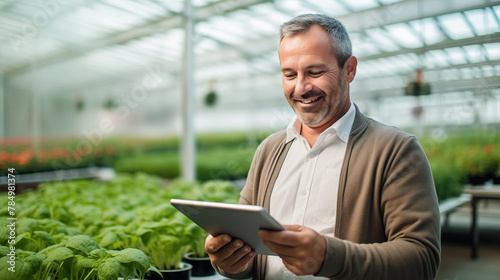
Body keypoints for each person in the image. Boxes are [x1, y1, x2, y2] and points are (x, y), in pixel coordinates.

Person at [205, 14, 441, 280]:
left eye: (315, 72)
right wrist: (230, 262)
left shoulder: (395, 150)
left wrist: (328, 256)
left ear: (349, 69)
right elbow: (251, 256)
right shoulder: (269, 150)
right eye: (289, 74)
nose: (301, 87)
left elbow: (422, 259)